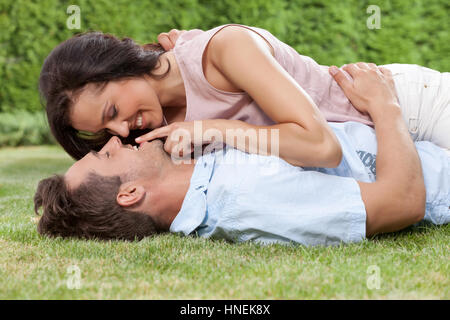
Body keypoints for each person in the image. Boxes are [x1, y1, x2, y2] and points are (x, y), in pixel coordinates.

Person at [34, 63, 449, 246]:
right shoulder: (247, 197)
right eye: (106, 156)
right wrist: (385, 107)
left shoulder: (205, 170)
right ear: (130, 194)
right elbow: (402, 202)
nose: (114, 140)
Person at [39, 23, 450, 166]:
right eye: (106, 129)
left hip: (406, 107)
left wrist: (216, 127)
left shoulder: (225, 49)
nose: (122, 128)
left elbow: (321, 147)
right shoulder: (160, 128)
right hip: (383, 151)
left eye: (113, 109)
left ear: (120, 65)